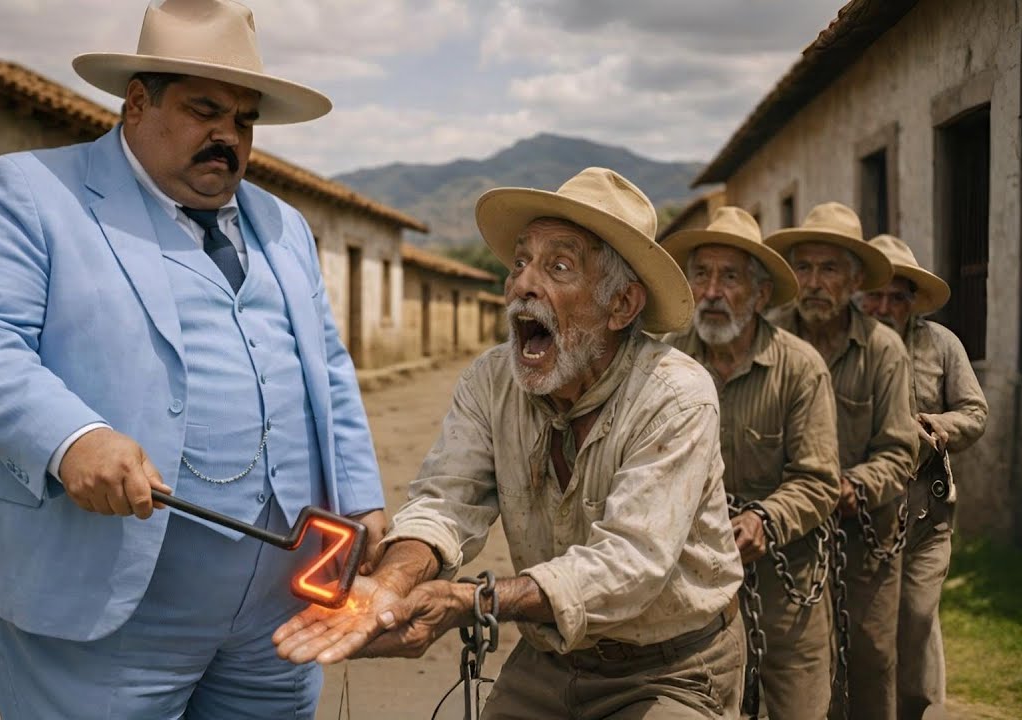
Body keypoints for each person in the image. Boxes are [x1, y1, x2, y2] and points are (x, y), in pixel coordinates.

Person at [0, 1, 386, 717]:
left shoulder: (282, 225)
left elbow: (326, 366)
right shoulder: (37, 192)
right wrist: (74, 437)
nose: (227, 137)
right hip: (102, 596)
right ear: (137, 103)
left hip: (281, 601)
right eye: (205, 110)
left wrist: (363, 501)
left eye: (244, 120)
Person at [274, 168, 747, 719]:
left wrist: (470, 601)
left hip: (672, 669)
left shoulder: (676, 395)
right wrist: (392, 584)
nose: (522, 284)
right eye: (521, 262)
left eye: (559, 267)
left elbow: (631, 564)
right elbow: (446, 501)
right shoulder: (491, 380)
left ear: (621, 306)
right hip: (553, 658)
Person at [661, 206, 840, 720]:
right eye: (701, 275)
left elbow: (818, 478)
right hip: (688, 592)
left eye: (730, 277)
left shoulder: (801, 367)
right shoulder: (662, 364)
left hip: (789, 592)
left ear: (761, 295)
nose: (712, 291)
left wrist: (765, 518)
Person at [764, 202, 919, 720]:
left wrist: (853, 486)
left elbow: (900, 451)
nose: (812, 282)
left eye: (828, 268)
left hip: (865, 533)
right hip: (787, 537)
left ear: (854, 278)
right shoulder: (769, 343)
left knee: (872, 657)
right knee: (785, 664)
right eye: (803, 268)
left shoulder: (884, 350)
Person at [858, 234, 988, 720]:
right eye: (877, 294)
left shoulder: (941, 344)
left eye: (898, 296)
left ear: (913, 300)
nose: (886, 305)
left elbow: (975, 412)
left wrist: (937, 424)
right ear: (861, 294)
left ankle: (915, 708)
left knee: (914, 615)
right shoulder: (844, 347)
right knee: (861, 630)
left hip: (924, 515)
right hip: (858, 518)